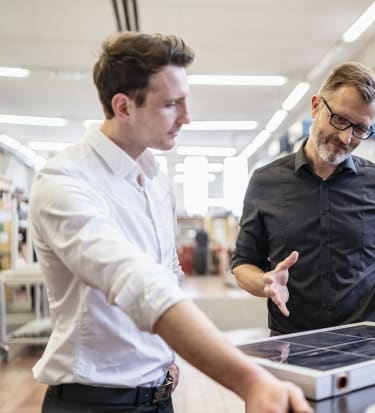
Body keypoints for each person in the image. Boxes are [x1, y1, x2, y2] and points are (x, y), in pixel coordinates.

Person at [29, 31, 312, 413]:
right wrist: (251, 381)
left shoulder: (156, 181)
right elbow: (136, 283)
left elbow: (167, 274)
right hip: (93, 402)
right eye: (171, 104)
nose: (187, 117)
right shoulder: (65, 181)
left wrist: (163, 357)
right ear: (124, 106)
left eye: (186, 101)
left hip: (159, 395)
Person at [232, 62, 375, 335]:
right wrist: (265, 282)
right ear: (316, 106)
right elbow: (243, 263)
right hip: (294, 341)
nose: (345, 137)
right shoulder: (265, 182)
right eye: (339, 119)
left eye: (360, 129)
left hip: (365, 341)